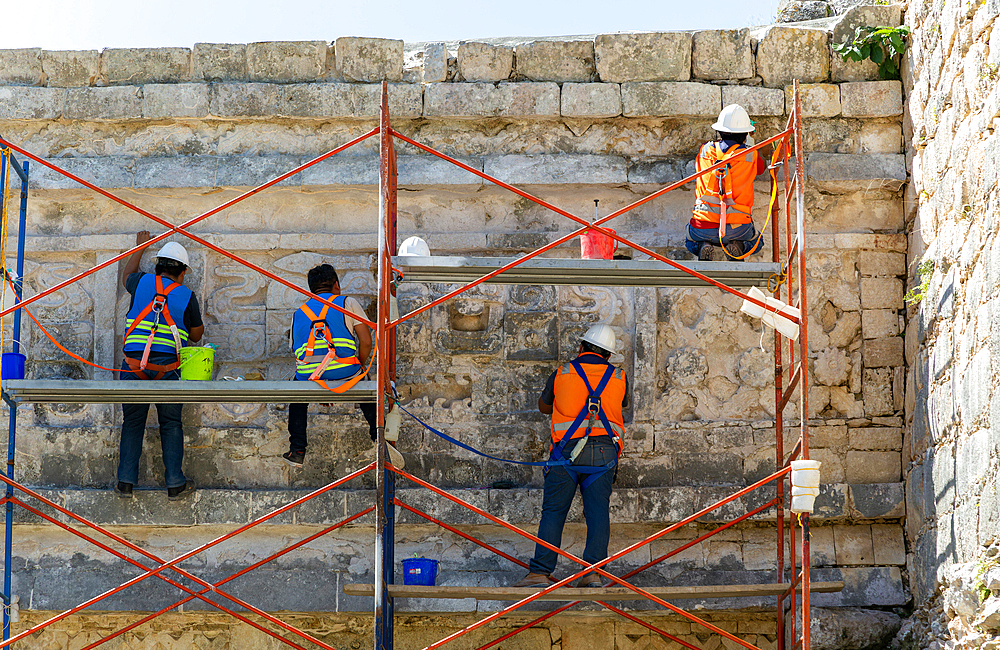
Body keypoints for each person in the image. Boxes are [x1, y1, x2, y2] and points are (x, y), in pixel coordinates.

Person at [514, 324, 628, 589]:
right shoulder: (619, 377)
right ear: (608, 355)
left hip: (565, 453)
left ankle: (540, 572)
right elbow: (622, 404)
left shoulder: (563, 373)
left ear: (581, 347)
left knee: (553, 512)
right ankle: (593, 572)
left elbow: (544, 407)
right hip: (603, 454)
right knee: (598, 513)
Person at [115, 232, 204, 501]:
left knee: (132, 422)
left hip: (133, 364)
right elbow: (197, 335)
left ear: (156, 267)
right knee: (170, 422)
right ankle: (175, 483)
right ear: (184, 272)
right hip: (167, 368)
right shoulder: (186, 295)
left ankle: (125, 483)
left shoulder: (141, 282)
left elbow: (126, 276)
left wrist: (140, 246)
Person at [285, 264, 401, 468]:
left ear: (311, 289)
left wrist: (320, 384)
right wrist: (359, 368)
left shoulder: (298, 313)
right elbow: (366, 342)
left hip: (310, 377)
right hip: (346, 371)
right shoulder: (347, 303)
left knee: (297, 395)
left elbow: (295, 349)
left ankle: (297, 449)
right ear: (336, 285)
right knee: (366, 389)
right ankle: (380, 442)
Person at [685, 104, 769, 262]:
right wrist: (749, 146)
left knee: (690, 240)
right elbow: (761, 168)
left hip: (702, 225)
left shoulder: (705, 150)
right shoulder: (751, 155)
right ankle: (737, 246)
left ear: (719, 131)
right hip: (738, 227)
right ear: (745, 134)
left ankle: (704, 245)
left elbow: (699, 166)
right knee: (757, 243)